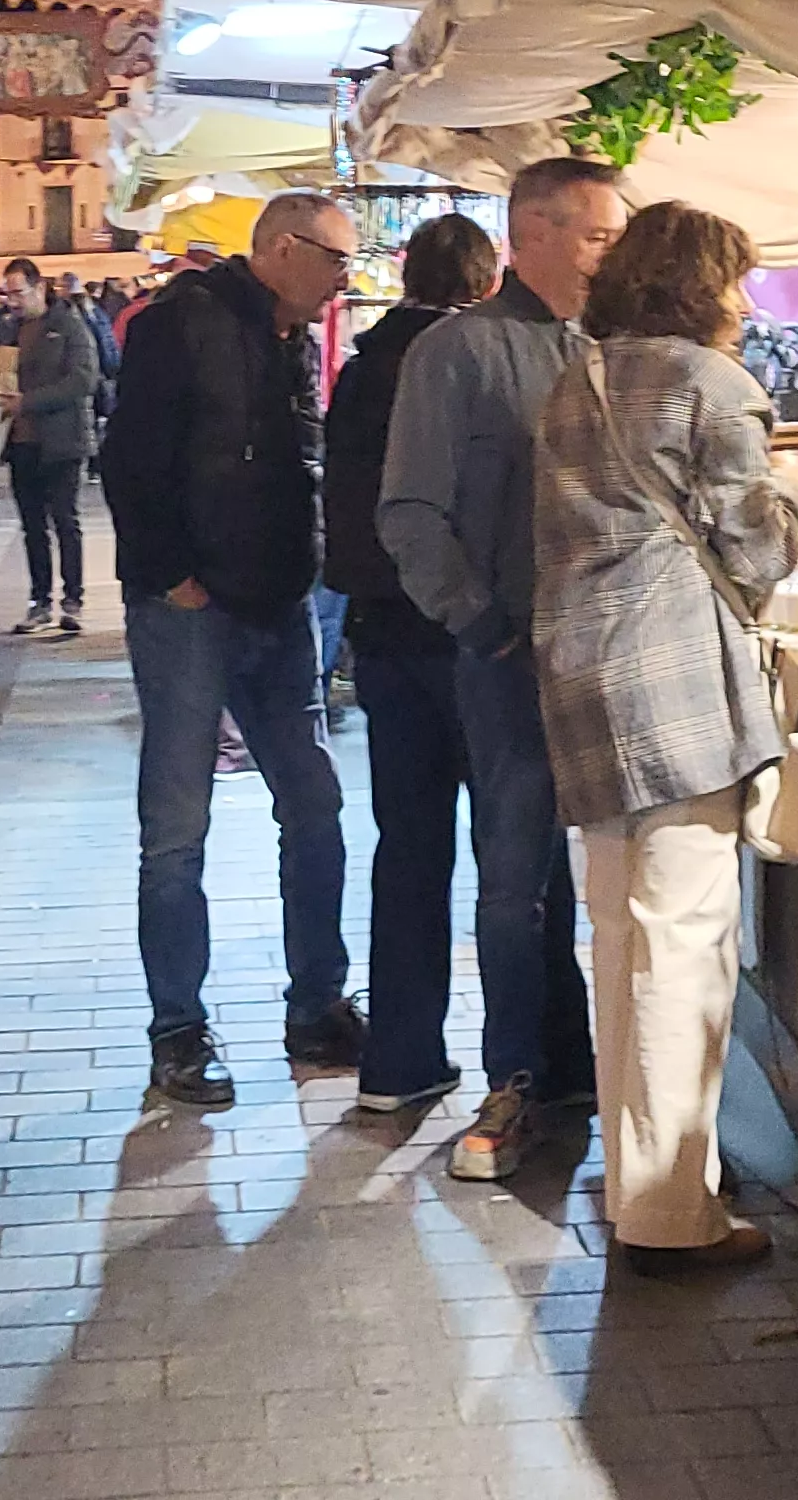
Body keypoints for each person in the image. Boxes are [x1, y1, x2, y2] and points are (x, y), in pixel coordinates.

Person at [533, 200, 798, 1275]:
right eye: (733, 278)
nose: (743, 300)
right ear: (699, 285)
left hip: (581, 676)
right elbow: (756, 549)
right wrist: (789, 498)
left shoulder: (574, 378)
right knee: (684, 941)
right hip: (678, 684)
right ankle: (665, 1207)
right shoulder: (711, 382)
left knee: (618, 936)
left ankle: (636, 1171)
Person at [379, 154, 629, 1180]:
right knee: (514, 874)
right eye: (598, 234)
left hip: (609, 656)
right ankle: (514, 1075)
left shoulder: (614, 349)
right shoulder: (460, 351)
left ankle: (578, 1065)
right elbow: (409, 510)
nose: (613, 252)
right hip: (513, 656)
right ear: (533, 233)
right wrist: (481, 626)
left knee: (604, 880)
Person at [104, 192, 366, 1109]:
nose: (346, 279)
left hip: (277, 603)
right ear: (283, 249)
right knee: (177, 827)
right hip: (192, 609)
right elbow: (130, 459)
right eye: (336, 259)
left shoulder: (294, 338)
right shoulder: (182, 325)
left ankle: (318, 1004)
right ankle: (178, 1029)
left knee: (317, 802)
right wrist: (174, 574)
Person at [325, 214, 501, 1116]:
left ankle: (399, 1059)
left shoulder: (359, 373)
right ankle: (533, 1070)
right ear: (483, 284)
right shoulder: (472, 367)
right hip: (468, 638)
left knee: (409, 849)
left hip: (385, 636)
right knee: (511, 855)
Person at [0, 257, 102, 636]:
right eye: (7, 294)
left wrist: (28, 401)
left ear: (40, 288)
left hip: (63, 440)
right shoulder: (7, 329)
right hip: (22, 442)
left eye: (18, 293)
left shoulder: (69, 327)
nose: (12, 301)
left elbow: (82, 381)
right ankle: (40, 600)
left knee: (65, 521)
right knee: (32, 526)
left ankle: (73, 600)